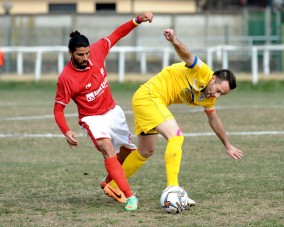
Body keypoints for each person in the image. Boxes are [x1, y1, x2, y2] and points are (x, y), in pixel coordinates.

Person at [106, 28, 244, 205]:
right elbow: (187, 55)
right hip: (150, 96)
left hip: (147, 101)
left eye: (221, 95)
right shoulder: (203, 72)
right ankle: (173, 189)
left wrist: (227, 144)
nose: (216, 96)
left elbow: (213, 119)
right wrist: (174, 40)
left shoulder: (208, 97)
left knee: (145, 151)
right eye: (217, 90)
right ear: (213, 78)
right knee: (176, 137)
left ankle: (112, 185)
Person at [53, 12, 154, 211]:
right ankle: (130, 196)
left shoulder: (98, 50)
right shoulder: (66, 78)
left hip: (113, 112)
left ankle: (107, 182)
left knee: (126, 153)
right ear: (70, 53)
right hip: (91, 119)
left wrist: (137, 20)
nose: (85, 58)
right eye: (80, 55)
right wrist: (66, 130)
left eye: (87, 53)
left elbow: (117, 34)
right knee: (107, 147)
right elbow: (58, 109)